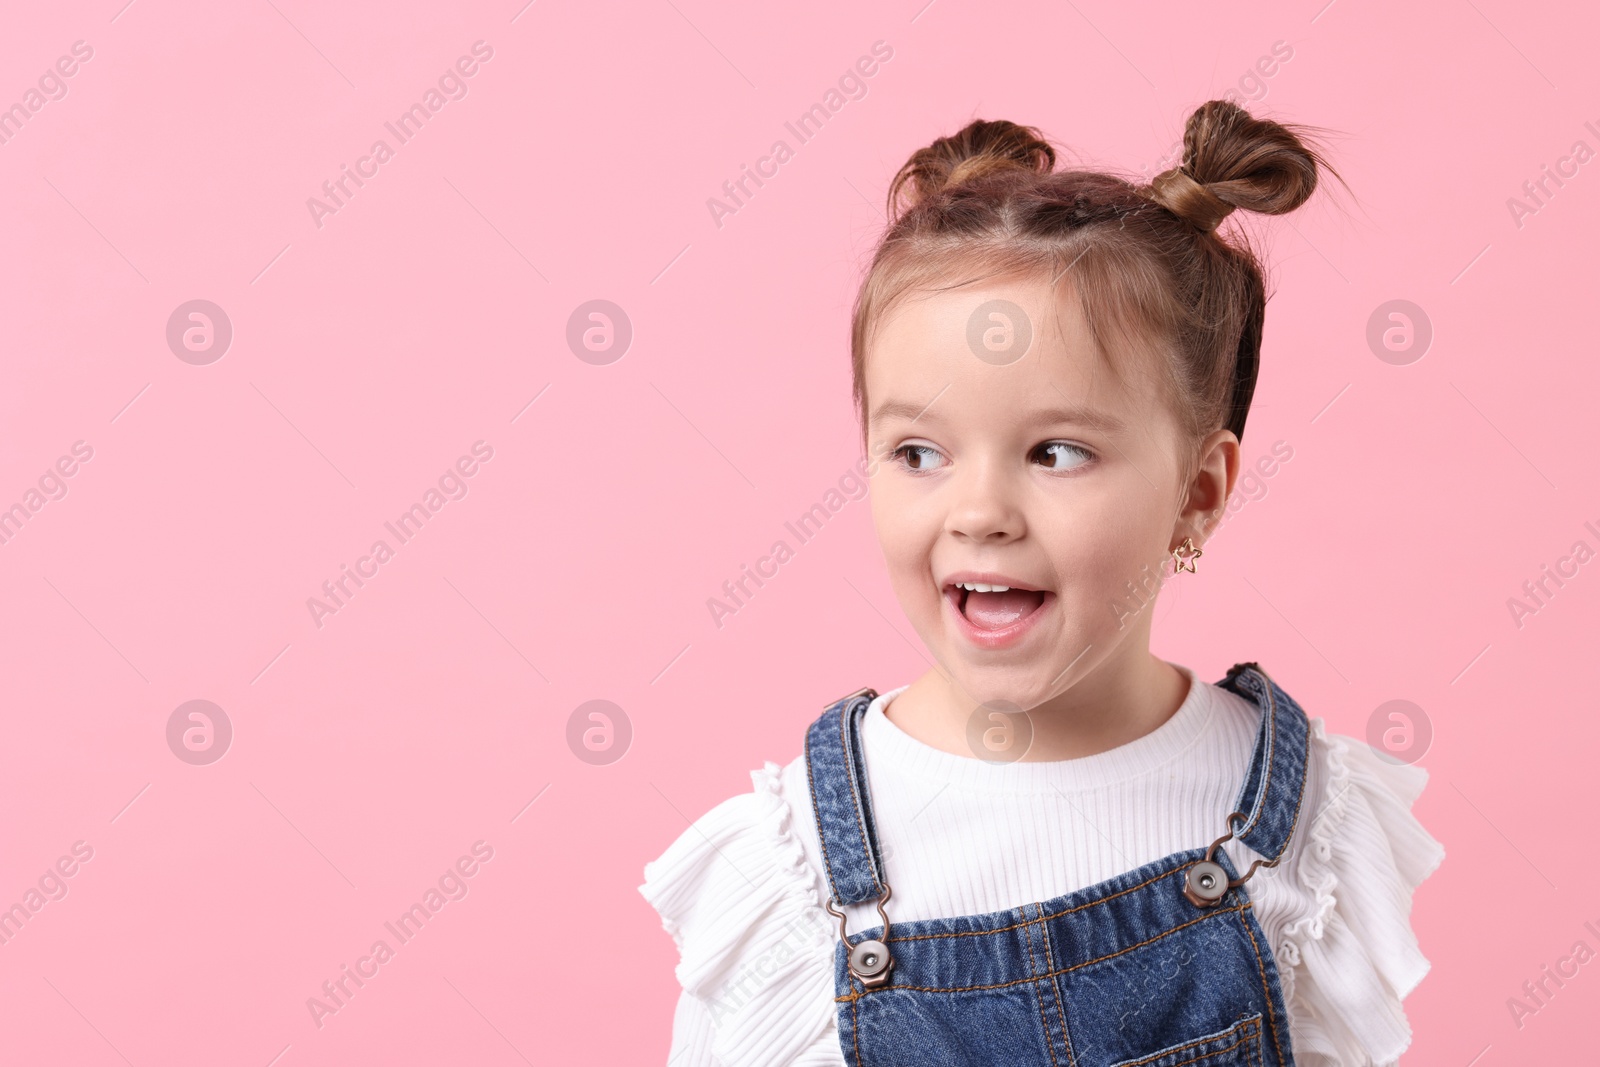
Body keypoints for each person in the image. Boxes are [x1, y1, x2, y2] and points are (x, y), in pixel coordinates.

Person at [640, 99, 1444, 1066]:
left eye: (1056, 453)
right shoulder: (795, 866)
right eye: (918, 449)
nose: (979, 510)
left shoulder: (1305, 828)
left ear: (1197, 491)